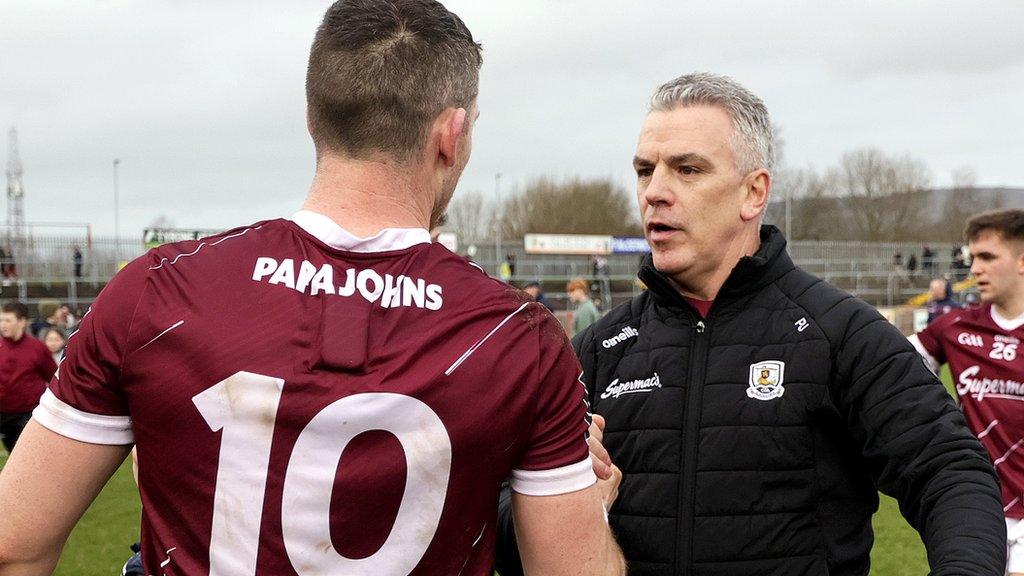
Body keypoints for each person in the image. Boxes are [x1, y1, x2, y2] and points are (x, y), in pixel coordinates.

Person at [0, 2, 625, 575]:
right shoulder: (518, 338)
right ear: (452, 133)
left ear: (311, 118)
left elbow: (14, 546)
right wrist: (589, 507)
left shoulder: (157, 291)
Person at [496, 72, 1004, 575]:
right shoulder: (600, 348)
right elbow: (497, 510)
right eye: (645, 171)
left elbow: (950, 472)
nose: (655, 191)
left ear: (753, 193)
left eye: (688, 169)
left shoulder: (840, 333)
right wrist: (557, 495)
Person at [910, 210, 1024, 576]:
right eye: (972, 257)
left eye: (988, 257)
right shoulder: (954, 329)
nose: (975, 268)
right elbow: (886, 368)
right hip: (975, 508)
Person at [0, 302, 58, 453]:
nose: (3, 325)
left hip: (27, 413)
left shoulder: (37, 348)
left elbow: (53, 377)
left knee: (25, 455)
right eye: (1, 320)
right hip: (2, 411)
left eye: (8, 320)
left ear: (22, 322)